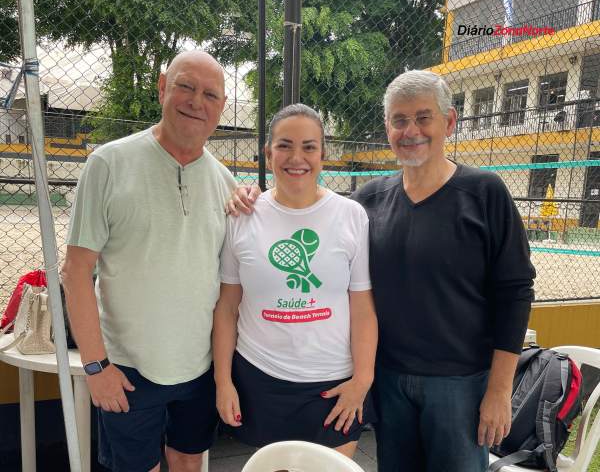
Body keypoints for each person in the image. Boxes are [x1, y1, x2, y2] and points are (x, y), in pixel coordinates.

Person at [229, 71, 536, 472]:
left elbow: (515, 292)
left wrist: (498, 390)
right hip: (389, 380)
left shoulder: (484, 193)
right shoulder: (368, 201)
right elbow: (310, 212)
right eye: (399, 120)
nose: (410, 131)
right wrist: (250, 195)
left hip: (459, 383)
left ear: (449, 122)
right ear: (387, 127)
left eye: (423, 118)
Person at [61, 50, 237, 472]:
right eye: (186, 87)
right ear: (162, 88)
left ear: (221, 108)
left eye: (210, 94)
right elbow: (76, 272)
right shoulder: (108, 164)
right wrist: (96, 366)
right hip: (127, 367)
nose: (197, 101)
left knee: (188, 460)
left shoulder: (227, 184)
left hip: (198, 366)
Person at [213, 103, 378, 458]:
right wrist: (223, 382)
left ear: (323, 153)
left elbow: (362, 307)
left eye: (309, 146)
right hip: (261, 377)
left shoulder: (351, 216)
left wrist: (361, 381)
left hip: (334, 383)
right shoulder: (241, 217)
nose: (296, 157)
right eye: (285, 145)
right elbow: (227, 308)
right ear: (268, 152)